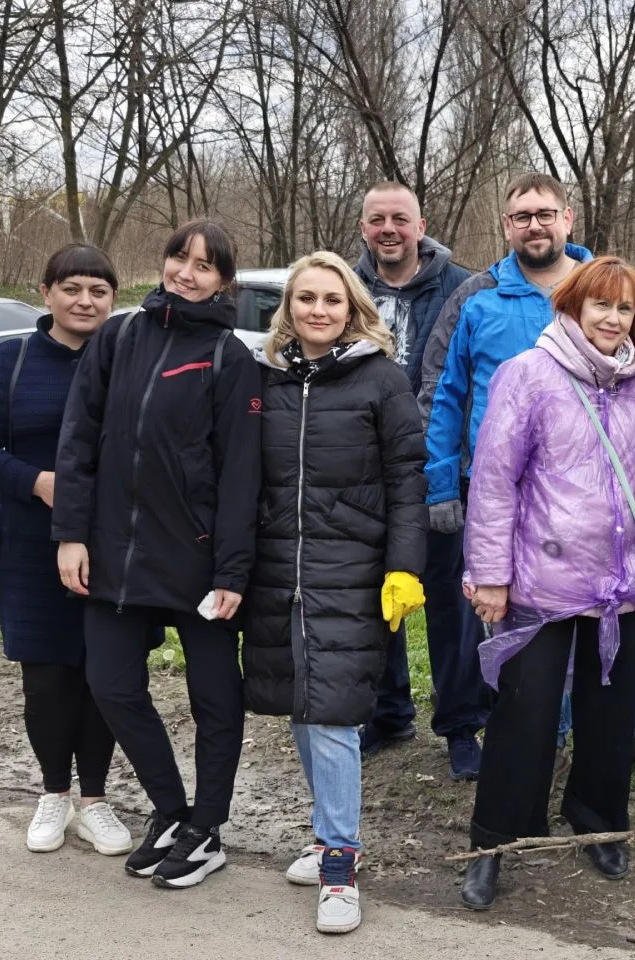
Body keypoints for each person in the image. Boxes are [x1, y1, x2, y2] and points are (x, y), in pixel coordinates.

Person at [420, 171, 635, 780]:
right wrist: (438, 483)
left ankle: (632, 728)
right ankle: (545, 738)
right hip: (509, 495)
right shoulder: (478, 299)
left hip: (600, 508)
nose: (534, 224)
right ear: (507, 226)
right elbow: (444, 393)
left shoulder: (610, 291)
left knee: (614, 615)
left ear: (568, 218)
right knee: (527, 625)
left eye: (545, 213)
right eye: (521, 216)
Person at [53, 220, 262, 889]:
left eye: (205, 265)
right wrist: (71, 534)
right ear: (165, 262)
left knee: (214, 701)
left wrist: (231, 569)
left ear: (224, 280)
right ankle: (171, 811)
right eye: (180, 257)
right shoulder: (117, 337)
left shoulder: (230, 358)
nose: (188, 272)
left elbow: (240, 477)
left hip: (196, 564)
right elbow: (78, 441)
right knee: (111, 683)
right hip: (114, 556)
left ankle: (207, 828)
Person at [458, 256, 635, 910]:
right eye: (600, 304)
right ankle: (494, 840)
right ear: (573, 306)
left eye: (625, 308)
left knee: (608, 722)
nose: (612, 318)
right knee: (525, 715)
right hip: (540, 585)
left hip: (618, 588)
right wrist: (490, 573)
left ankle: (599, 823)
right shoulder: (528, 375)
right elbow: (492, 481)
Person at [243, 250, 428, 934]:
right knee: (300, 702)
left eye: (332, 300)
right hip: (276, 571)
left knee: (331, 716)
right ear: (288, 308)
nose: (318, 311)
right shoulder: (268, 381)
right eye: (306, 299)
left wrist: (403, 567)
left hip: (350, 572)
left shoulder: (381, 380)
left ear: (353, 308)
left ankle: (341, 864)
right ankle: (327, 836)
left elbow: (409, 481)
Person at [0, 244, 132, 857]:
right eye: (73, 288)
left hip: (112, 543)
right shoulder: (14, 359)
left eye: (99, 291)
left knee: (103, 676)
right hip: (30, 546)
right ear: (47, 291)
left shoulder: (124, 360)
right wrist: (39, 483)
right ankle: (55, 792)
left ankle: (96, 801)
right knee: (48, 678)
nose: (85, 301)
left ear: (114, 298)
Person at [353, 182, 475, 760]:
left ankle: (459, 726)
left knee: (451, 600)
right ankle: (388, 712)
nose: (389, 229)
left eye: (400, 218)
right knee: (381, 596)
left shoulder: (464, 288)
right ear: (363, 228)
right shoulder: (345, 289)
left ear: (421, 225)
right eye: (377, 219)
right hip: (365, 472)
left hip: (440, 470)